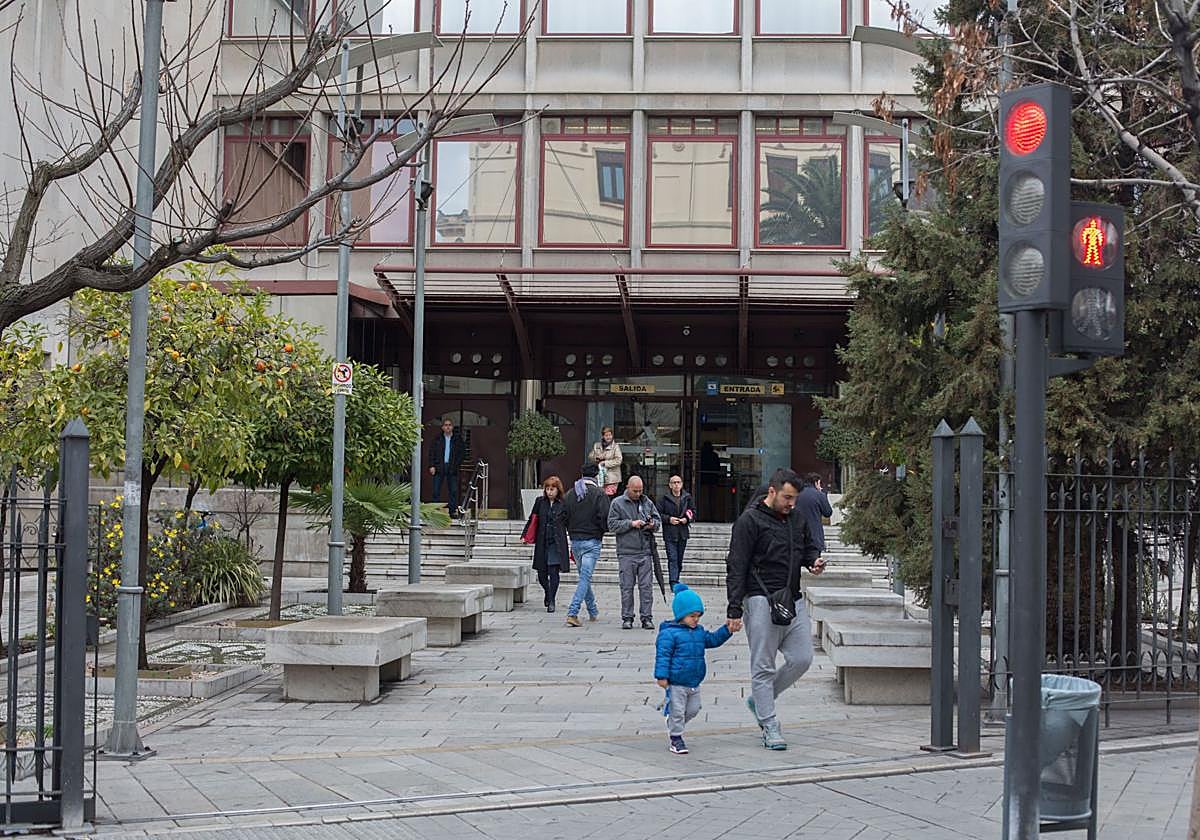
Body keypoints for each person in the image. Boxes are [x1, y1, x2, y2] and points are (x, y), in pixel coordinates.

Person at [725, 468, 825, 751]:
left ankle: (761, 700)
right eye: (787, 497)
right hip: (760, 599)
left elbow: (807, 548)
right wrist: (734, 609)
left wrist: (813, 561)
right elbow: (736, 565)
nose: (791, 503)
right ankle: (769, 724)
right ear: (772, 491)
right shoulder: (749, 521)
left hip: (792, 599)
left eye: (794, 498)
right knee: (763, 665)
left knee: (802, 658)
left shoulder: (797, 519)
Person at [654, 583, 735, 755]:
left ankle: (674, 722)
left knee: (693, 709)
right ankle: (676, 738)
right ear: (681, 615)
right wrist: (661, 676)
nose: (696, 619)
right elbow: (663, 655)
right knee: (678, 710)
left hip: (694, 680)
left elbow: (712, 640)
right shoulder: (669, 634)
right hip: (677, 681)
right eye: (692, 616)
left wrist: (727, 630)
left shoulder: (699, 632)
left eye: (698, 616)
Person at [607, 475, 662, 630]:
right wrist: (631, 524)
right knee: (627, 587)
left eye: (640, 491)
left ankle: (647, 618)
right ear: (627, 488)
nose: (638, 494)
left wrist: (652, 524)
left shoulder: (647, 502)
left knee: (646, 588)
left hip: (645, 551)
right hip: (626, 552)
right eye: (635, 491)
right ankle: (627, 617)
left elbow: (658, 521)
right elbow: (611, 525)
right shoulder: (617, 503)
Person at [560, 464, 610, 627]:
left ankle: (592, 610)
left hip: (575, 540)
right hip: (592, 540)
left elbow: (563, 516)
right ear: (596, 476)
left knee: (584, 577)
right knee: (585, 577)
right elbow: (605, 517)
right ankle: (573, 612)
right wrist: (602, 530)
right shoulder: (599, 494)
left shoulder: (571, 493)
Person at [525, 475, 568, 612]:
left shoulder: (563, 503)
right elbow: (532, 519)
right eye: (547, 489)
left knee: (553, 571)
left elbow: (569, 522)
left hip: (556, 542)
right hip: (542, 541)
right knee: (541, 574)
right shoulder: (540, 502)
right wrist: (525, 535)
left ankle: (552, 600)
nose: (549, 492)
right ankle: (547, 592)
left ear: (558, 490)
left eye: (552, 489)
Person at [657, 475, 695, 586]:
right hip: (670, 533)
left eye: (678, 482)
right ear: (670, 485)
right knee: (672, 558)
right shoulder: (664, 499)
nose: (676, 485)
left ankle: (676, 578)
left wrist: (686, 519)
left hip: (682, 533)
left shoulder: (687, 498)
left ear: (681, 484)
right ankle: (673, 582)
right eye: (674, 482)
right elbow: (658, 514)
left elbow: (693, 512)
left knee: (679, 559)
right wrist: (669, 519)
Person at [427, 417, 465, 515]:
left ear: (452, 427)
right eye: (446, 425)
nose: (448, 427)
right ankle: (435, 511)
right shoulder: (437, 439)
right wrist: (432, 465)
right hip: (439, 466)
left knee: (453, 490)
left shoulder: (457, 439)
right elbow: (431, 453)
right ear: (442, 427)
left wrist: (456, 465)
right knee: (436, 490)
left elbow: (461, 453)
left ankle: (452, 511)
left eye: (449, 425)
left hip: (452, 467)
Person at [795, 472, 833, 557]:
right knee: (814, 561)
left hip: (798, 535)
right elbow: (828, 512)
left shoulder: (797, 494)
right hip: (815, 537)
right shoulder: (819, 495)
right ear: (816, 482)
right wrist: (823, 495)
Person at [588, 426, 623, 497]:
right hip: (599, 477)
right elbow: (590, 456)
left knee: (608, 497)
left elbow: (619, 460)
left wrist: (605, 463)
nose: (608, 437)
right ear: (603, 436)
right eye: (606, 435)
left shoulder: (615, 446)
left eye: (610, 435)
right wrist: (596, 457)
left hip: (611, 478)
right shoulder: (597, 445)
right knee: (598, 496)